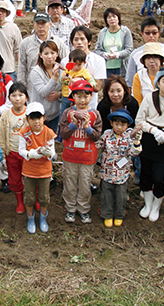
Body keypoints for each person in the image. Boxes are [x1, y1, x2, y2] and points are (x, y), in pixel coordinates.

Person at [136, 68, 164, 222]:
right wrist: (154, 130)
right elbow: (140, 120)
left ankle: (156, 206)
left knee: (159, 176)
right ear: (158, 83)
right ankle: (147, 205)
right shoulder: (150, 97)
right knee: (146, 172)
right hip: (149, 137)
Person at [59, 80, 103, 224]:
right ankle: (70, 208)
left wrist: (87, 127)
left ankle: (84, 209)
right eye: (79, 96)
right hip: (70, 156)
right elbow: (63, 134)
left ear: (91, 97)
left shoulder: (95, 114)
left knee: (85, 184)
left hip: (88, 157)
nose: (82, 100)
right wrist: (73, 124)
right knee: (70, 182)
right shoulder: (68, 112)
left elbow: (97, 136)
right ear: (73, 97)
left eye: (86, 96)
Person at [96, 109, 142, 227]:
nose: (119, 127)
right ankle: (107, 214)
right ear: (111, 123)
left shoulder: (128, 137)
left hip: (122, 174)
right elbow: (98, 145)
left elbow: (134, 153)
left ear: (127, 125)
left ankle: (119, 214)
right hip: (107, 173)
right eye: (117, 124)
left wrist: (137, 142)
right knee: (107, 195)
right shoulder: (106, 134)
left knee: (121, 195)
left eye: (123, 125)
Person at [18, 102, 56, 234]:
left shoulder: (49, 133)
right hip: (29, 171)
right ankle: (30, 218)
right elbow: (21, 151)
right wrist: (33, 153)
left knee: (44, 197)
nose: (36, 121)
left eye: (39, 118)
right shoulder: (24, 133)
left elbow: (53, 153)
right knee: (29, 197)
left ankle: (43, 218)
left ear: (44, 118)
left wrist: (48, 153)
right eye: (32, 118)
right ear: (27, 119)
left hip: (45, 171)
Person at [17, 11, 68, 89]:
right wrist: (21, 88)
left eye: (43, 23)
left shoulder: (59, 42)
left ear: (50, 24)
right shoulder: (25, 43)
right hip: (33, 88)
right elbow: (22, 67)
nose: (40, 26)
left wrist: (61, 90)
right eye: (38, 23)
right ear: (34, 25)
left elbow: (65, 64)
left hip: (55, 88)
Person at [0, 83, 28, 214]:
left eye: (20, 95)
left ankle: (34, 200)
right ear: (9, 98)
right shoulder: (6, 115)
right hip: (12, 153)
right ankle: (20, 202)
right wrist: (3, 154)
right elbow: (2, 136)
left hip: (27, 154)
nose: (17, 99)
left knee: (31, 178)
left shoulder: (30, 113)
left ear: (26, 97)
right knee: (15, 179)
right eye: (13, 95)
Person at [60, 26, 107, 110]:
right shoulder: (65, 61)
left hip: (89, 106)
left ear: (89, 42)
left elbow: (97, 88)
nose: (79, 42)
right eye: (76, 39)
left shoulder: (99, 60)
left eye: (82, 39)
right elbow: (62, 83)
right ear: (72, 42)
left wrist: (79, 81)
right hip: (69, 104)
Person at [125, 17, 164, 88]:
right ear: (142, 34)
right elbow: (130, 82)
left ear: (159, 33)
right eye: (147, 33)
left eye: (154, 33)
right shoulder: (135, 54)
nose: (151, 36)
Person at [28, 41, 62, 133]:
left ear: (57, 54)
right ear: (40, 55)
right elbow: (43, 92)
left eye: (52, 53)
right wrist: (55, 77)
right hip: (38, 115)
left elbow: (66, 89)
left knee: (50, 142)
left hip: (54, 114)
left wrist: (59, 95)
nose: (50, 56)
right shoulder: (36, 72)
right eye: (46, 53)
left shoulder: (61, 70)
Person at [95, 7, 133, 78]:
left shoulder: (125, 31)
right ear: (106, 20)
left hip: (121, 67)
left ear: (118, 18)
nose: (112, 19)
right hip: (107, 68)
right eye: (109, 17)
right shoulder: (102, 32)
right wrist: (104, 54)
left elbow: (129, 49)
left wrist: (117, 54)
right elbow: (97, 49)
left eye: (114, 16)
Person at [59, 49, 97, 117]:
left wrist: (90, 84)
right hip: (66, 96)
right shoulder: (67, 71)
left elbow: (92, 81)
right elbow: (61, 81)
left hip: (78, 98)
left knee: (76, 113)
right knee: (64, 113)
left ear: (84, 63)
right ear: (69, 62)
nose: (76, 67)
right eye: (74, 64)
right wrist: (63, 78)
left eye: (79, 65)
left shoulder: (84, 72)